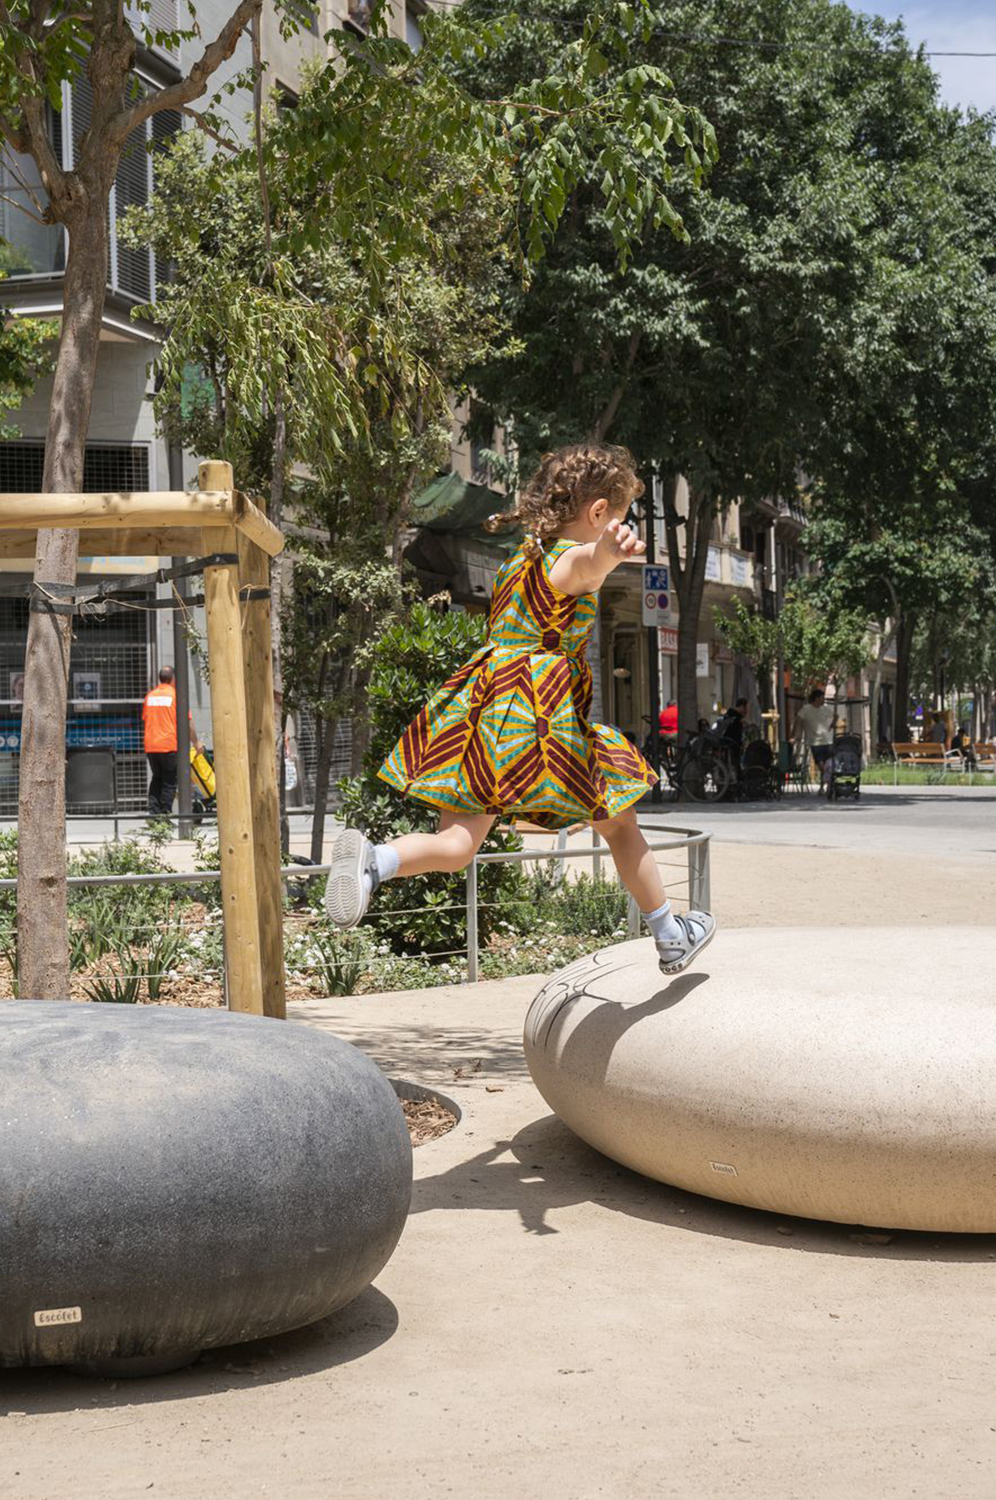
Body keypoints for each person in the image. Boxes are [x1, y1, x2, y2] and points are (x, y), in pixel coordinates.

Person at [325, 443, 716, 975]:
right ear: (598, 513)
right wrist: (609, 552)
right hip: (538, 717)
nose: (617, 527)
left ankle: (378, 862)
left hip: (486, 711)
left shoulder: (517, 564)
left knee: (459, 843)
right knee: (620, 821)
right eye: (617, 517)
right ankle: (670, 935)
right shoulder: (570, 561)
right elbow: (588, 564)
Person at [142, 667, 203, 818]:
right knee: (169, 781)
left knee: (157, 778)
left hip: (151, 746)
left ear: (160, 679)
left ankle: (153, 814)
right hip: (169, 745)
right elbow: (188, 723)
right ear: (173, 678)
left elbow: (146, 718)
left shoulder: (150, 696)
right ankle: (164, 815)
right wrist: (196, 742)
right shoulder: (176, 696)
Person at [793, 687, 834, 784]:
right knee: (820, 764)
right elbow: (798, 719)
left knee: (826, 764)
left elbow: (835, 716)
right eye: (822, 698)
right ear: (816, 698)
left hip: (827, 740)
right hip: (815, 741)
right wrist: (797, 734)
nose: (824, 700)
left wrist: (831, 726)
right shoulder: (806, 709)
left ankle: (824, 785)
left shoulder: (824, 709)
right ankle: (829, 780)